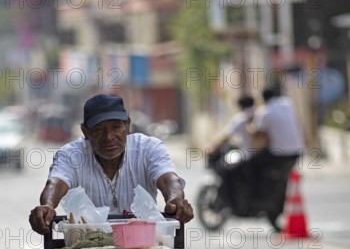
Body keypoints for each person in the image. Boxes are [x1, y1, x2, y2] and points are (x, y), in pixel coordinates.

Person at [29, 94, 194, 234]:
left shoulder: (149, 148)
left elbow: (168, 179)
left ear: (128, 126)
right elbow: (55, 183)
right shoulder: (71, 155)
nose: (109, 137)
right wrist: (47, 206)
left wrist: (175, 199)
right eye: (99, 130)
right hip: (87, 247)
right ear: (85, 132)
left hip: (143, 244)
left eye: (116, 127)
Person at [250, 87, 304, 231]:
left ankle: (265, 204)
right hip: (296, 151)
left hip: (279, 155)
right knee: (282, 181)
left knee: (262, 175)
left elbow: (256, 133)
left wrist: (249, 124)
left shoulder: (264, 111)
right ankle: (274, 209)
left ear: (263, 99)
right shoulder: (287, 103)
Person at [207, 95, 257, 215]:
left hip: (249, 157)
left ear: (240, 106)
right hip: (260, 157)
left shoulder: (241, 118)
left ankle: (230, 203)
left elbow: (225, 136)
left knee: (226, 171)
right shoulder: (258, 114)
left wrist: (212, 148)